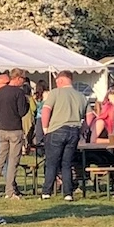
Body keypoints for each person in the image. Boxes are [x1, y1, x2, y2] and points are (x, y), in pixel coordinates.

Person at [38, 70, 87, 200]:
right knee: (67, 163)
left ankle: (46, 191)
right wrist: (82, 130)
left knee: (52, 163)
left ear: (61, 80)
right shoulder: (81, 96)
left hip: (57, 129)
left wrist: (45, 129)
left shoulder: (55, 93)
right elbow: (91, 116)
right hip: (74, 130)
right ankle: (68, 193)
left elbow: (46, 110)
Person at [0, 71, 29, 199]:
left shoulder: (0, 93)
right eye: (23, 79)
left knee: (0, 161)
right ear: (17, 78)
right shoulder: (19, 93)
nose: (24, 81)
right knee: (13, 161)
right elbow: (22, 112)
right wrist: (26, 103)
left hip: (2, 130)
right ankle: (9, 191)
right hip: (15, 130)